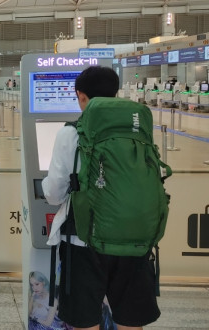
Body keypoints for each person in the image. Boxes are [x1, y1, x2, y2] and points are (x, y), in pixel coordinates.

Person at [42, 66, 160, 330]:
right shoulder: (138, 129)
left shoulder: (71, 133)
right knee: (130, 321)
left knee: (85, 321)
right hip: (134, 238)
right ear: (115, 93)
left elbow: (54, 194)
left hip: (83, 241)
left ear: (81, 96)